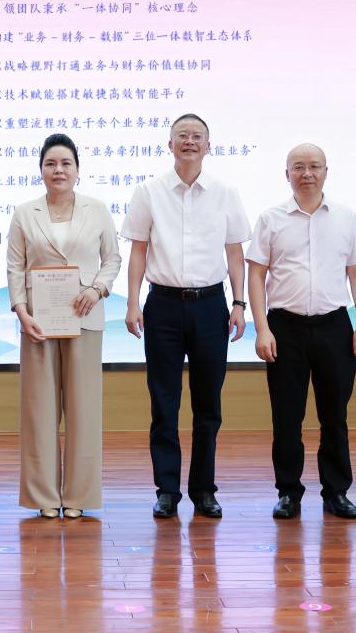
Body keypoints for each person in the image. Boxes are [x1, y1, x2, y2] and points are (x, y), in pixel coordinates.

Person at [121, 113, 250, 519]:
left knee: (208, 404)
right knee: (164, 402)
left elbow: (235, 254)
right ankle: (167, 490)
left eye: (197, 137)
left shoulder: (226, 193)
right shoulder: (149, 191)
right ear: (170, 144)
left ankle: (204, 490)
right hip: (162, 306)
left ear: (209, 146)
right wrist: (132, 302)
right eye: (182, 136)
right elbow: (138, 250)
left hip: (211, 306)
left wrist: (239, 303)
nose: (189, 142)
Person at [246, 143, 356, 520]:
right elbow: (256, 275)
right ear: (287, 174)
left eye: (314, 166)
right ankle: (289, 492)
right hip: (284, 327)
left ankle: (337, 492)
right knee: (287, 416)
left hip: (335, 326)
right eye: (298, 167)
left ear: (326, 172)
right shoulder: (270, 219)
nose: (307, 173)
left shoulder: (346, 217)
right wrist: (262, 329)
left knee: (334, 415)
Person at [6, 134, 121, 519]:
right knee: (39, 410)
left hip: (84, 319)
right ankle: (43, 496)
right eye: (51, 163)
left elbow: (112, 259)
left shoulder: (97, 210)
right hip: (38, 323)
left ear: (77, 170)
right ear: (41, 170)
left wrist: (97, 289)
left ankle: (77, 496)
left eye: (65, 163)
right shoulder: (25, 213)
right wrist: (21, 311)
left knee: (83, 409)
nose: (58, 170)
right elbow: (15, 267)